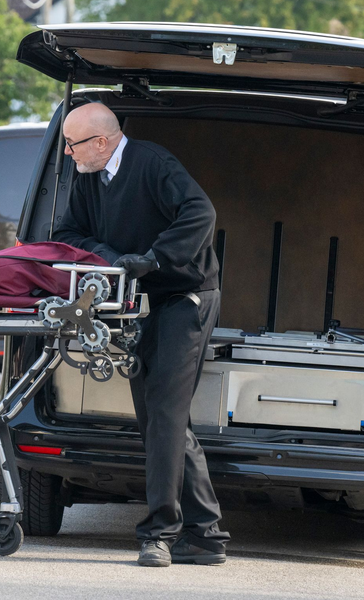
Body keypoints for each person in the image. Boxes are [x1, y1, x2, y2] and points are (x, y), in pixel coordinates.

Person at [53, 102, 230, 567]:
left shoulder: (152, 162)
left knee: (166, 414)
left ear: (102, 142)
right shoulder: (90, 175)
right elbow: (68, 230)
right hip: (139, 303)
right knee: (156, 417)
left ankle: (160, 534)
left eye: (72, 144)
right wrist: (110, 255)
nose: (67, 153)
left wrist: (153, 258)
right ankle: (207, 535)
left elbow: (201, 214)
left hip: (185, 297)